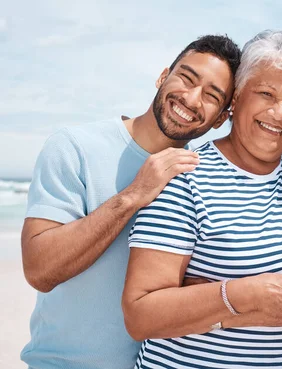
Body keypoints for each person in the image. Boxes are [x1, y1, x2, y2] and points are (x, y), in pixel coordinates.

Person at [121, 29, 282, 369]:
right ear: (236, 98)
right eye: (266, 93)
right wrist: (245, 297)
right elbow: (141, 315)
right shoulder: (185, 177)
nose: (279, 113)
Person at [20, 35, 242, 369]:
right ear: (163, 76)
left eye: (212, 95)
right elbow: (40, 270)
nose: (192, 99)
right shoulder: (74, 146)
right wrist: (133, 196)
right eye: (187, 78)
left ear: (221, 118)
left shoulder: (200, 178)